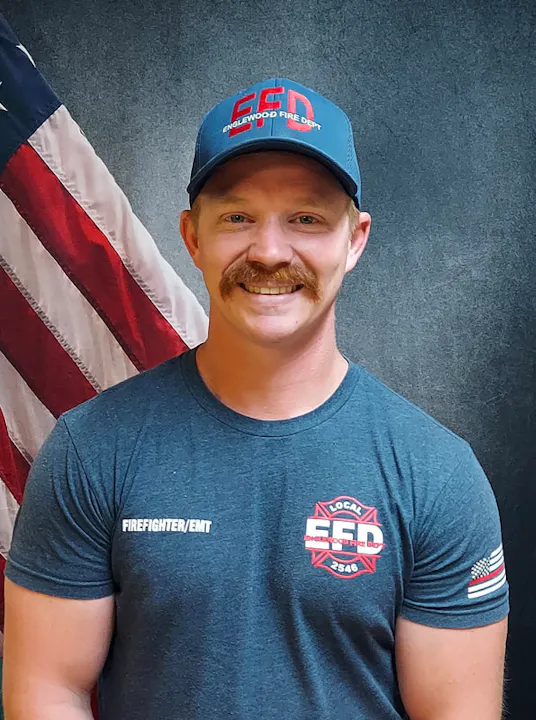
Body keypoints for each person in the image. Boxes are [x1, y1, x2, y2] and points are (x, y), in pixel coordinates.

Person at [3, 78, 508, 720]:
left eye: (306, 219)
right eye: (238, 217)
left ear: (354, 240)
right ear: (192, 237)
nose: (269, 252)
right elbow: (50, 691)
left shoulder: (436, 474)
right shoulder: (91, 451)